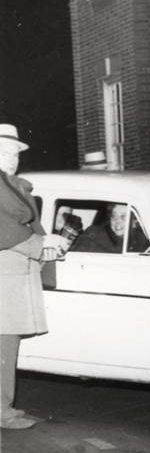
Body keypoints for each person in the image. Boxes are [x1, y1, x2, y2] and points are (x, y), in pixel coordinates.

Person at [0, 123, 70, 429]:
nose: (12, 158)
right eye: (4, 152)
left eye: (14, 153)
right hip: (4, 277)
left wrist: (49, 242)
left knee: (6, 344)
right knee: (4, 345)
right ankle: (3, 412)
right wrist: (44, 243)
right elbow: (7, 231)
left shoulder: (9, 184)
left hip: (13, 275)